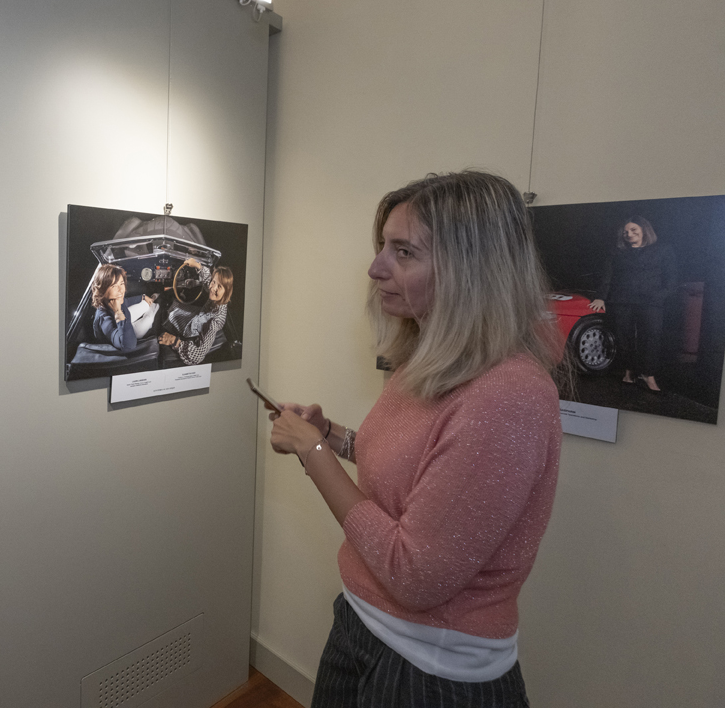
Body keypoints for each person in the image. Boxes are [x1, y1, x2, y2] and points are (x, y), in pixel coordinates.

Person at [267, 170, 563, 707]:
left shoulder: (509, 395)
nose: (376, 268)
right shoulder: (432, 362)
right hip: (361, 626)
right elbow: (415, 473)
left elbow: (415, 574)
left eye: (403, 252)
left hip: (430, 672)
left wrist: (311, 453)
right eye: (384, 248)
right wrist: (330, 434)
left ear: (471, 271)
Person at [588, 216, 676, 393]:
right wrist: (600, 297)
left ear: (645, 230)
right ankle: (628, 371)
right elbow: (607, 276)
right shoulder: (616, 252)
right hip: (622, 300)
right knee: (623, 337)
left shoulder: (663, 250)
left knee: (652, 337)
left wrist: (661, 296)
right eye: (626, 231)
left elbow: (672, 279)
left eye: (633, 230)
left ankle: (648, 374)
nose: (629, 234)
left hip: (651, 301)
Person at [158, 259, 232, 365]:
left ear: (227, 291)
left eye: (219, 287)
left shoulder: (215, 321)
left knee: (167, 314)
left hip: (191, 328)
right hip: (196, 316)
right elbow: (207, 281)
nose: (212, 288)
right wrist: (197, 265)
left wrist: (173, 340)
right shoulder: (216, 295)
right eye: (214, 282)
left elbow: (198, 355)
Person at [90, 264, 158, 351]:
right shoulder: (104, 320)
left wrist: (143, 297)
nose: (121, 290)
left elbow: (127, 301)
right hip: (126, 333)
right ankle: (157, 306)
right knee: (149, 317)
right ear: (102, 290)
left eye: (121, 284)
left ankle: (153, 301)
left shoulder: (114, 300)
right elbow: (129, 345)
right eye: (114, 286)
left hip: (123, 321)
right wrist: (118, 312)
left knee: (146, 304)